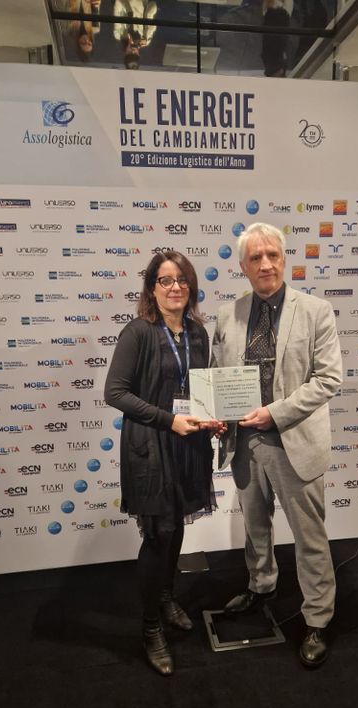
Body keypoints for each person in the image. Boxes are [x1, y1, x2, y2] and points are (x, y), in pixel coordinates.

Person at [211, 222, 343, 667]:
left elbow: (328, 379)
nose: (265, 264)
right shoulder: (227, 314)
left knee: (309, 537)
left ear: (284, 259)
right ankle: (261, 585)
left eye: (272, 255)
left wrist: (276, 413)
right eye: (256, 257)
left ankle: (318, 618)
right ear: (242, 266)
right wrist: (215, 414)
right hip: (246, 443)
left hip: (295, 441)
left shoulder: (316, 311)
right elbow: (217, 375)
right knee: (255, 527)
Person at [104, 250, 221, 676]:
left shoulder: (197, 333)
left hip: (188, 443)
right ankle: (151, 626)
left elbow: (201, 387)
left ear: (191, 286)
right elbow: (115, 393)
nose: (175, 287)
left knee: (177, 528)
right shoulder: (137, 332)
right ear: (152, 288)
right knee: (159, 534)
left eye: (182, 280)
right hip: (151, 445)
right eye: (165, 280)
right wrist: (169, 420)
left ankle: (168, 597)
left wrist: (211, 418)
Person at [113, 0, 157, 69]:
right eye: (135, 53)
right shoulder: (145, 38)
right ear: (138, 53)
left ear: (126, 52)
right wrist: (146, 35)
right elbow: (153, 5)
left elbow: (118, 2)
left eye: (130, 53)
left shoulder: (119, 34)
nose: (133, 50)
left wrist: (129, 13)